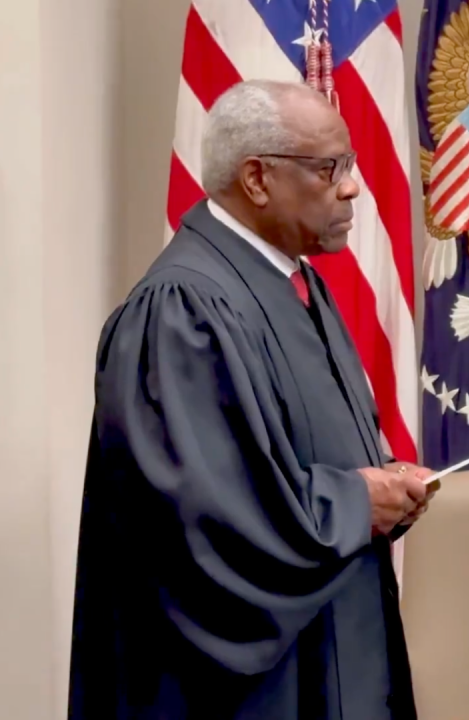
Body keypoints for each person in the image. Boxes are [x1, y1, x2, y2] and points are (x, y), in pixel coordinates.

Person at [68, 80, 431, 719]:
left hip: (335, 650)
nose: (352, 187)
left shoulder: (295, 282)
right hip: (252, 692)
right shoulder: (181, 312)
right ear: (257, 179)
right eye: (330, 168)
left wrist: (382, 489)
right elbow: (206, 523)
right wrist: (354, 501)